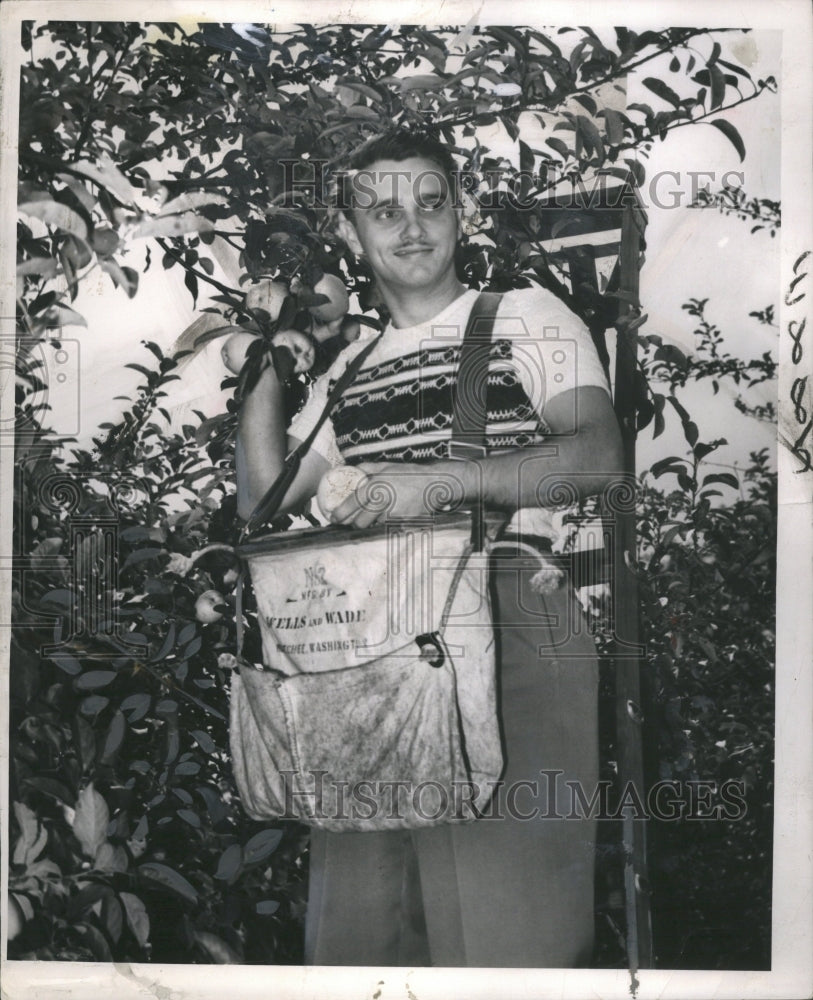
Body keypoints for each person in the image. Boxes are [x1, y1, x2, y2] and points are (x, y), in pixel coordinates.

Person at [235, 129, 623, 968]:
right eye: (382, 211)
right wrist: (269, 352)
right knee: (365, 937)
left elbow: (596, 456)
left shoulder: (521, 314)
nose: (409, 227)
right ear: (349, 234)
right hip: (374, 650)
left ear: (461, 212)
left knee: (504, 933)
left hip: (512, 619)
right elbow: (263, 502)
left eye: (430, 202)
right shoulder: (355, 368)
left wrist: (435, 484)